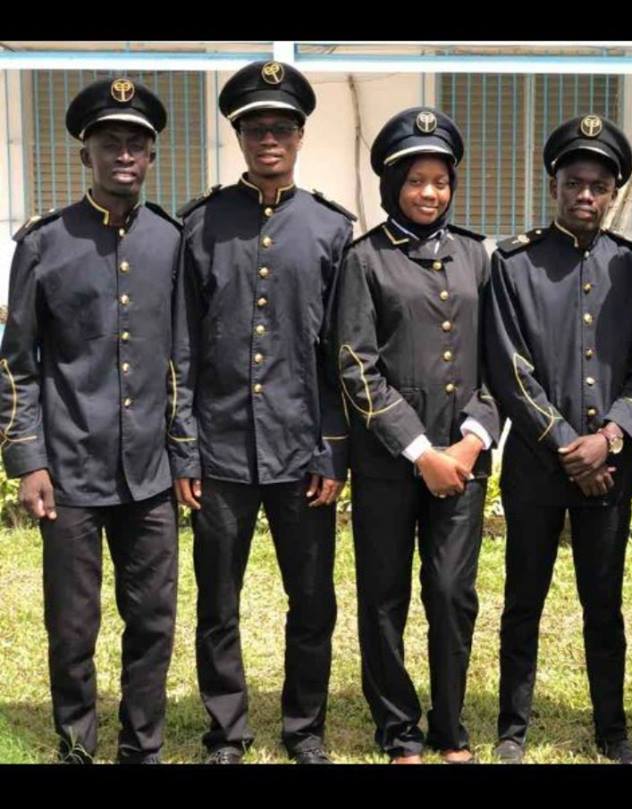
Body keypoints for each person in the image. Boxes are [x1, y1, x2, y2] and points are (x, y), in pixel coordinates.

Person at [168, 60, 355, 764]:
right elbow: (182, 345)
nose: (267, 139)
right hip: (219, 450)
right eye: (254, 128)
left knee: (312, 600)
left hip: (302, 450)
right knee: (218, 600)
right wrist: (184, 447)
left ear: (301, 135)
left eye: (280, 127)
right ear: (239, 137)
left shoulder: (332, 229)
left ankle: (304, 728)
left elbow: (341, 351)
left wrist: (333, 447)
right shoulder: (201, 224)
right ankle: (227, 729)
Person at [0, 78, 179, 763]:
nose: (124, 155)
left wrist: (184, 456)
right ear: (86, 156)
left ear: (151, 155)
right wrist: (28, 460)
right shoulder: (44, 243)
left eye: (136, 143)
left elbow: (184, 357)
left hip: (150, 470)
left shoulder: (171, 240)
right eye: (110, 143)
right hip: (70, 466)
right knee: (73, 623)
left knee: (153, 616)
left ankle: (143, 745)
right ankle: (77, 742)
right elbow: (16, 362)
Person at [484, 114, 632, 764]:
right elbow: (509, 367)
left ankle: (612, 729)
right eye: (574, 183)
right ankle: (512, 727)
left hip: (609, 468)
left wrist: (609, 438)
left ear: (613, 193)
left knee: (604, 604)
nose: (586, 195)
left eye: (599, 186)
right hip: (537, 465)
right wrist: (566, 444)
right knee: (522, 601)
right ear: (553, 184)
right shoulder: (514, 264)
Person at [335, 106, 500, 764]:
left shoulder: (478, 255)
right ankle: (398, 727)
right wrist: (420, 450)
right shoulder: (365, 258)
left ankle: (450, 725)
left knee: (453, 593)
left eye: (441, 181)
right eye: (416, 181)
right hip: (388, 460)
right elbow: (356, 364)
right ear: (392, 184)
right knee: (384, 596)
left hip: (463, 460)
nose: (430, 193)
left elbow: (499, 361)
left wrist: (470, 441)